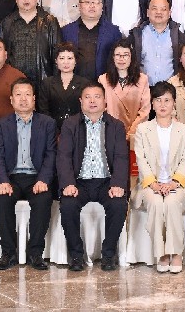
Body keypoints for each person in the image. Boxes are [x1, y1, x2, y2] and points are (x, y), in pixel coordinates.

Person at [56, 83, 130, 271]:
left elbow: (121, 157)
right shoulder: (70, 125)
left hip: (107, 181)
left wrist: (118, 184)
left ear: (105, 101)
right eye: (87, 97)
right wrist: (68, 183)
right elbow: (63, 156)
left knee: (119, 204)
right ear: (81, 101)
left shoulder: (116, 126)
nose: (92, 101)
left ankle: (109, 254)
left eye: (97, 96)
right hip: (79, 182)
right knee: (68, 205)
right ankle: (76, 255)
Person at [0, 79, 57, 271]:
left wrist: (43, 179)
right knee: (2, 199)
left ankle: (35, 253)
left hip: (36, 177)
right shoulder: (1, 125)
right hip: (11, 177)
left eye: (27, 94)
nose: (23, 99)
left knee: (43, 199)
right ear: (11, 100)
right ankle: (8, 253)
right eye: (18, 95)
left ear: (34, 99)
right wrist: (2, 181)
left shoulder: (47, 123)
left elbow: (51, 154)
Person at [132, 82, 185, 273]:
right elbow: (141, 160)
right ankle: (161, 254)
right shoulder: (143, 129)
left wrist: (174, 183)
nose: (163, 105)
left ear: (174, 103)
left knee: (172, 202)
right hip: (150, 184)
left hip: (177, 184)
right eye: (158, 100)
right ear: (152, 103)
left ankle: (176, 252)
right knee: (157, 203)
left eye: (167, 100)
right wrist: (153, 183)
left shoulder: (184, 130)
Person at [0, 0, 61, 83]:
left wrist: (54, 84)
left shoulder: (49, 22)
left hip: (44, 82)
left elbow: (57, 54)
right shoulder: (7, 23)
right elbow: (2, 55)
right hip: (14, 83)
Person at [60, 0, 123, 81]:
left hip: (104, 84)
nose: (92, 6)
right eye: (87, 2)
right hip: (74, 84)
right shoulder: (66, 31)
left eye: (96, 2)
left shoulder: (113, 32)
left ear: (102, 6)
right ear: (79, 6)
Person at [99, 39, 151, 138]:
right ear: (113, 57)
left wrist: (131, 133)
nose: (121, 59)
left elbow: (145, 111)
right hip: (111, 133)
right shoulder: (103, 80)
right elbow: (101, 110)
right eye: (118, 55)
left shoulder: (142, 79)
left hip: (135, 134)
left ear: (131, 58)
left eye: (126, 55)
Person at [130, 0, 185, 85]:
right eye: (154, 8)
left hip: (170, 89)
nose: (159, 12)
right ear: (147, 12)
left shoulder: (179, 36)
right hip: (143, 89)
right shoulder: (137, 35)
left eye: (163, 9)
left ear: (169, 13)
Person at [37, 42, 91, 130]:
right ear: (56, 61)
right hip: (52, 130)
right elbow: (43, 110)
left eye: (70, 58)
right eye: (62, 58)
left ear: (75, 61)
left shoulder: (84, 83)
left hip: (78, 130)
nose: (66, 62)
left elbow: (87, 110)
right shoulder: (47, 83)